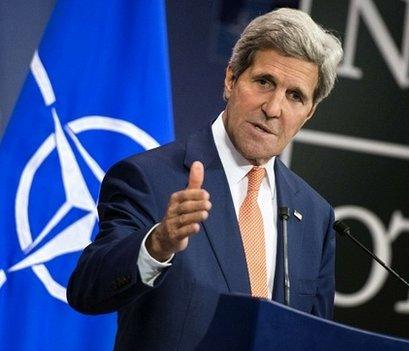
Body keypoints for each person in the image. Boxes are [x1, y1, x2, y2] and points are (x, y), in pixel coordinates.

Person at [67, 7, 343, 350]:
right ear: (231, 79)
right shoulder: (150, 177)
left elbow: (316, 339)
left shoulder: (314, 216)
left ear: (309, 113)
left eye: (295, 96)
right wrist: (158, 244)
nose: (273, 108)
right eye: (264, 82)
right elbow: (86, 289)